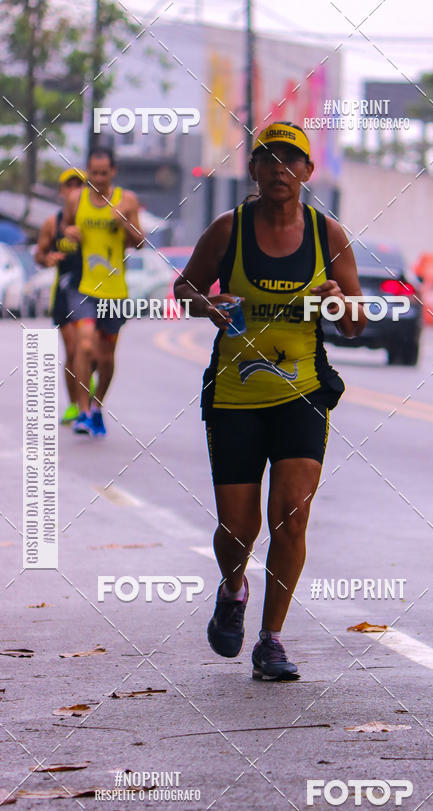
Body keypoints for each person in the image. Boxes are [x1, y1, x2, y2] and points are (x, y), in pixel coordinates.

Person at [174, 122, 367, 680]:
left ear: (308, 172)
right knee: (238, 529)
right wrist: (207, 303)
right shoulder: (227, 231)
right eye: (268, 158)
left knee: (291, 517)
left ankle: (272, 638)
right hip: (235, 394)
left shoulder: (327, 235)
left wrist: (337, 301)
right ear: (253, 171)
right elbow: (182, 291)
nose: (280, 169)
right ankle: (233, 588)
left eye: (291, 159)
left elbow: (356, 324)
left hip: (302, 393)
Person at [62, 146, 142, 436]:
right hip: (84, 287)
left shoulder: (127, 200)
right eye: (93, 173)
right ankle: (83, 411)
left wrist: (126, 225)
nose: (97, 178)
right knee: (84, 345)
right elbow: (66, 227)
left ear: (113, 172)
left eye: (103, 173)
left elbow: (141, 242)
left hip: (115, 291)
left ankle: (97, 407)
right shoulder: (76, 199)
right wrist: (69, 233)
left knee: (106, 356)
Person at [35, 168, 86, 423]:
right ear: (62, 191)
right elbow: (39, 255)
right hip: (65, 293)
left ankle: (87, 394)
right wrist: (48, 258)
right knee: (74, 349)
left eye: (80, 185)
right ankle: (75, 405)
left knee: (92, 352)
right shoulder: (52, 224)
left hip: (92, 292)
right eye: (70, 185)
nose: (75, 190)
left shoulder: (94, 222)